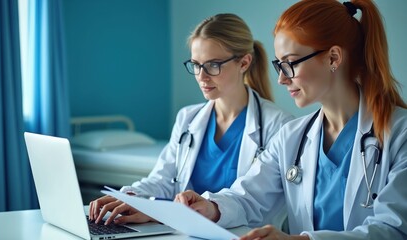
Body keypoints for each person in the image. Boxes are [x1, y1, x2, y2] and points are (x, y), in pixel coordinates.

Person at [175, 1, 407, 239]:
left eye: (290, 64)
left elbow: (393, 230)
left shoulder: (401, 134)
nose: (282, 80)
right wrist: (211, 207)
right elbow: (249, 197)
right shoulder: (292, 136)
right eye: (279, 65)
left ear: (333, 58)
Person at [89, 13, 294, 226]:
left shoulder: (278, 126)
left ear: (244, 62)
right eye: (196, 64)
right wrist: (131, 197)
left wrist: (186, 210)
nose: (202, 76)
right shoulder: (188, 118)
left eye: (213, 65)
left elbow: (253, 201)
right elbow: (162, 180)